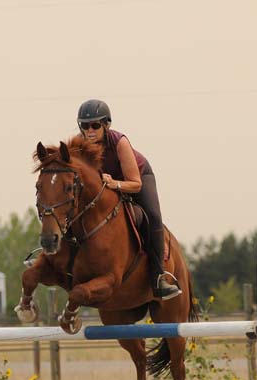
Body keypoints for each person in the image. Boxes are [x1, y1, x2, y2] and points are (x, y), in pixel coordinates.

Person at [76, 99, 181, 300]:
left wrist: (115, 183)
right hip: (107, 188)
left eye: (95, 125)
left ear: (106, 125)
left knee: (152, 216)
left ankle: (159, 276)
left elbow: (135, 184)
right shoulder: (79, 145)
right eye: (84, 126)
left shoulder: (119, 142)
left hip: (137, 178)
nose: (90, 130)